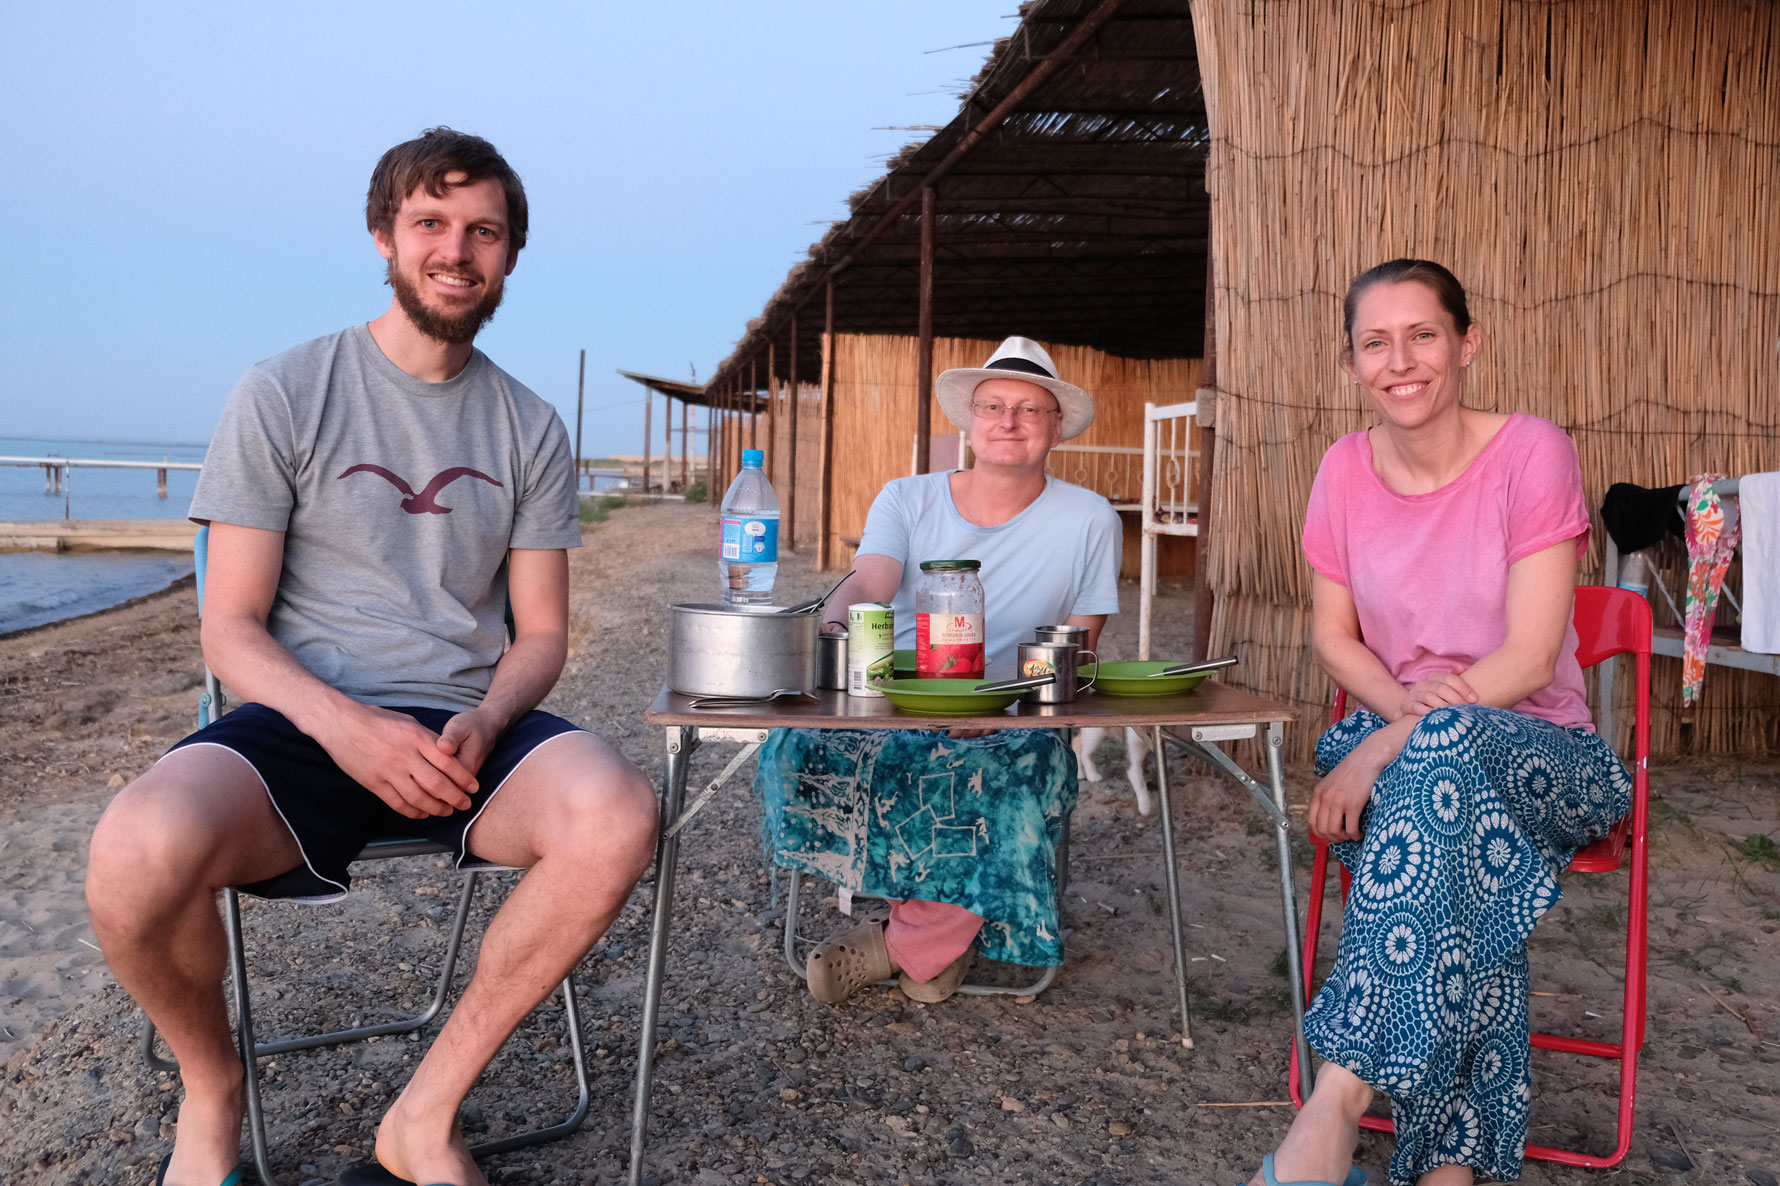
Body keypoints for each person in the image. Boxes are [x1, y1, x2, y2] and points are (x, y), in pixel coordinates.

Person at [85, 129, 659, 1186]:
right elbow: (231, 625)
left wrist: (486, 720)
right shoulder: (286, 390)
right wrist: (345, 726)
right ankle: (212, 1093)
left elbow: (539, 635)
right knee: (134, 847)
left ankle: (421, 1122)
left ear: (509, 255)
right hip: (303, 722)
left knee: (619, 811)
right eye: (431, 224)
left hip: (463, 727)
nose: (457, 250)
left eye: (483, 231)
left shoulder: (528, 426)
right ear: (384, 237)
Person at [1243, 260, 1632, 1186]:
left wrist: (1391, 739)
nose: (1401, 360)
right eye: (1375, 343)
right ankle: (1452, 1167)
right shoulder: (1342, 470)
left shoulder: (1531, 451)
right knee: (1454, 840)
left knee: (1440, 763)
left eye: (1423, 334)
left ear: (1468, 341)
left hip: (1546, 756)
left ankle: (1334, 1106)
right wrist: (1399, 728)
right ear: (1351, 365)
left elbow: (1533, 657)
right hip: (1424, 762)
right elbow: (1334, 639)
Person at [752, 336, 1122, 1005]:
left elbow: (1082, 645)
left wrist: (1011, 707)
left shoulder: (1089, 518)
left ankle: (898, 946)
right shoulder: (907, 497)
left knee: (1005, 770)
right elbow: (871, 579)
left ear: (1056, 426)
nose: (1008, 421)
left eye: (1029, 410)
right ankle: (936, 941)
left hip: (1010, 710)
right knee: (793, 746)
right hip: (892, 694)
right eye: (993, 407)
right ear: (969, 421)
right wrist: (834, 626)